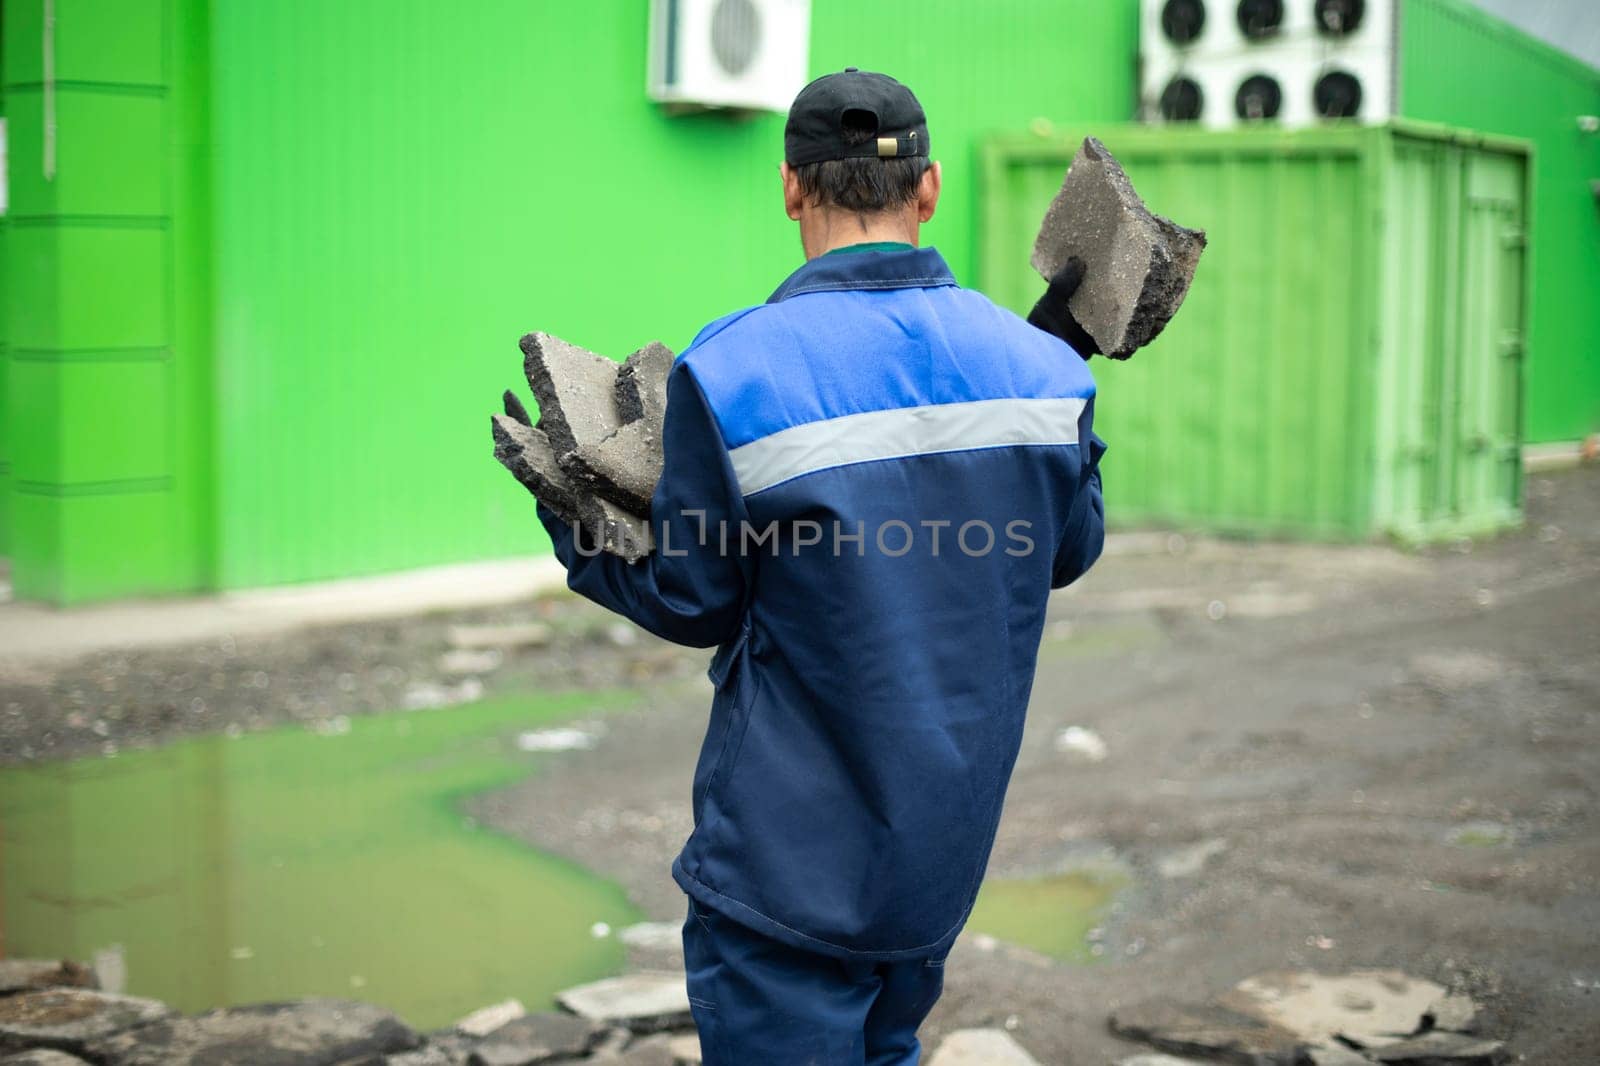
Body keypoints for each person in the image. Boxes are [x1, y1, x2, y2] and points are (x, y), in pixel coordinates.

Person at [535, 68, 1105, 1066]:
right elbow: (1067, 547)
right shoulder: (1045, 372)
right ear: (926, 191)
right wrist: (1053, 372)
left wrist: (574, 519)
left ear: (791, 188)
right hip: (934, 868)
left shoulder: (735, 369)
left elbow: (693, 596)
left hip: (787, 876)